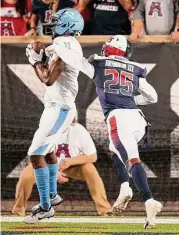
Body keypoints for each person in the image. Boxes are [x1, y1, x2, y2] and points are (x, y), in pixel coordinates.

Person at [52, 35, 163, 229]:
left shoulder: (99, 64)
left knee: (132, 160)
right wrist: (129, 99)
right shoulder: (135, 68)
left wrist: (56, 42)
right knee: (116, 149)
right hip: (138, 119)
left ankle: (149, 200)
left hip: (119, 118)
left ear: (111, 48)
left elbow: (72, 59)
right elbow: (152, 97)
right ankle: (125, 187)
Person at [24, 8, 84, 223]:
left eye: (58, 22)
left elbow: (48, 78)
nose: (53, 25)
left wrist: (35, 61)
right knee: (48, 153)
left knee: (35, 154)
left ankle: (45, 208)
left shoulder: (64, 46)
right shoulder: (65, 45)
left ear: (68, 26)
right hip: (55, 106)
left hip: (60, 108)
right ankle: (52, 195)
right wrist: (39, 57)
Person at [12, 121, 112, 217]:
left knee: (90, 170)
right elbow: (36, 156)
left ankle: (105, 210)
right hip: (45, 165)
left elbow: (92, 156)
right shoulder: (44, 131)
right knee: (26, 176)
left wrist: (69, 162)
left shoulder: (79, 130)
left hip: (72, 166)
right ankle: (18, 211)